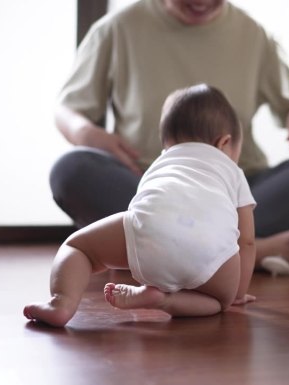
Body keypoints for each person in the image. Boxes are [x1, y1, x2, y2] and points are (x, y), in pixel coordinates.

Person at [50, 0, 289, 272]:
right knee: (71, 171)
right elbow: (67, 110)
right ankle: (247, 249)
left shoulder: (253, 35)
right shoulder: (115, 30)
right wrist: (88, 133)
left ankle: (167, 246)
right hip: (152, 189)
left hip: (237, 192)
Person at [25, 84, 256, 327]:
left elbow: (149, 202)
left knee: (78, 248)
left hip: (152, 231)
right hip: (211, 249)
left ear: (166, 144)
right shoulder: (234, 173)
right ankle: (163, 300)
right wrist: (236, 293)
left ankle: (61, 303)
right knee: (218, 302)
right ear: (224, 143)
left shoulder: (162, 161)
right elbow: (247, 241)